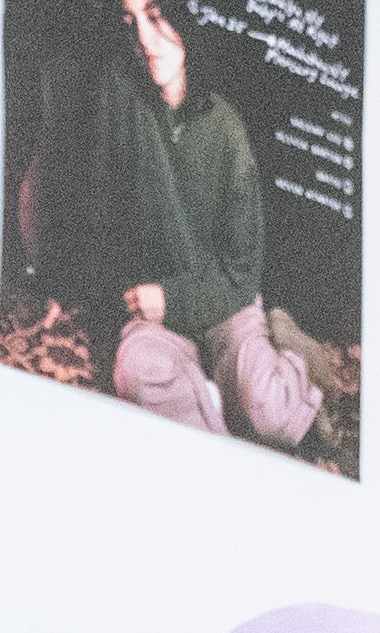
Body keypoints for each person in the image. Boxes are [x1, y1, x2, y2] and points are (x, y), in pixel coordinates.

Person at [73, 0, 316, 450]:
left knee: (274, 414)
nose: (146, 39)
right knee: (138, 369)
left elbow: (241, 271)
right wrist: (130, 302)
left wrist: (176, 299)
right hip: (153, 313)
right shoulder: (118, 100)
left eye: (156, 15)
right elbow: (101, 224)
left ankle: (288, 349)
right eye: (133, 23)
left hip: (225, 305)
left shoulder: (226, 128)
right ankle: (206, 409)